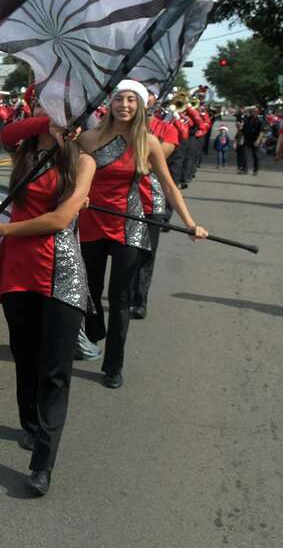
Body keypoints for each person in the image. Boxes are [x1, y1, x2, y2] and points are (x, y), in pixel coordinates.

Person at [0, 109, 94, 496]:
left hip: (61, 271)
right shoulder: (24, 152)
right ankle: (31, 424)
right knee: (24, 356)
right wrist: (49, 124)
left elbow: (61, 220)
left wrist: (3, 229)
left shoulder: (83, 162)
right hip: (19, 269)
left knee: (55, 369)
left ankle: (42, 462)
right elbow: (8, 131)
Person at [75, 80, 207, 388]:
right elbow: (68, 172)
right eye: (120, 99)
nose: (125, 105)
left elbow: (170, 185)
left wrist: (190, 222)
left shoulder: (148, 142)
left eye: (132, 100)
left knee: (121, 298)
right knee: (88, 291)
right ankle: (94, 332)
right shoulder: (89, 138)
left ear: (141, 106)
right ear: (111, 104)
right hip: (92, 222)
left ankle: (113, 366)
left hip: (130, 224)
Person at [130, 91, 182, 321]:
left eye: (147, 97)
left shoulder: (167, 129)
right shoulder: (111, 127)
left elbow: (149, 162)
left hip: (150, 200)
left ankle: (139, 300)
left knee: (145, 254)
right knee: (126, 253)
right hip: (118, 201)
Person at [238, 108, 264, 175]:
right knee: (244, 154)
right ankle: (244, 169)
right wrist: (240, 128)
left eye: (254, 112)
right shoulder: (247, 119)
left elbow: (261, 131)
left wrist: (258, 140)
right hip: (247, 139)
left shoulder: (260, 120)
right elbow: (243, 130)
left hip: (255, 139)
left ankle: (255, 170)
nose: (252, 113)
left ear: (257, 113)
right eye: (251, 112)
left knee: (255, 155)